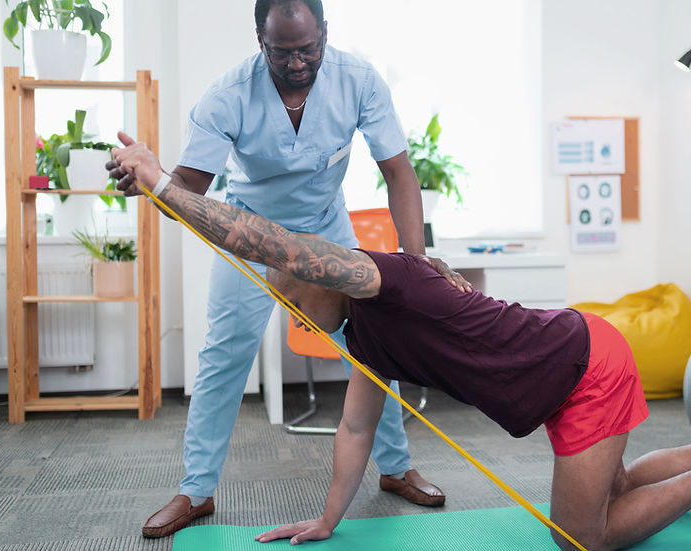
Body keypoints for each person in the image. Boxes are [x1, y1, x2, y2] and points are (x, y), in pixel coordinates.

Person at [109, 146, 691, 551]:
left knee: (580, 537)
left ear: (318, 271)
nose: (291, 312)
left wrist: (164, 186)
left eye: (291, 294)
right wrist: (325, 519)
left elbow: (266, 242)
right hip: (568, 365)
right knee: (613, 487)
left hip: (584, 367)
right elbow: (354, 429)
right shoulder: (364, 339)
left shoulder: (381, 280)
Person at [108, 0, 464, 538]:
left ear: (325, 33)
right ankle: (195, 491)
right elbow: (188, 194)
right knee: (224, 354)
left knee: (374, 345)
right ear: (260, 40)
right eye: (282, 52)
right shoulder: (227, 96)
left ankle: (396, 467)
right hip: (250, 233)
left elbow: (399, 172)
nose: (297, 63)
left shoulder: (358, 80)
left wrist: (413, 267)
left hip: (327, 227)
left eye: (308, 49)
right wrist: (151, 180)